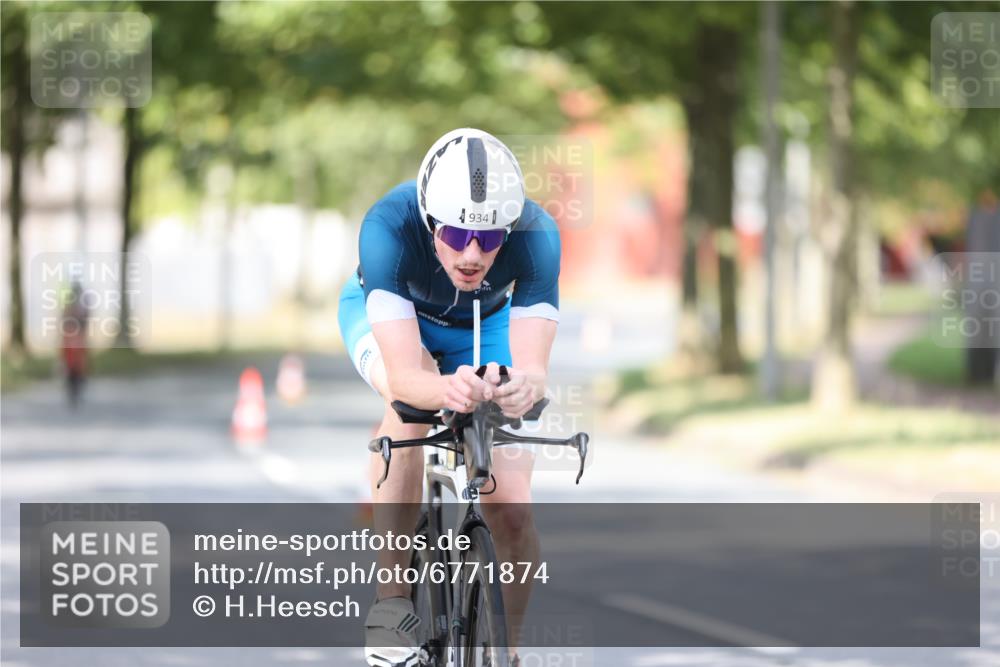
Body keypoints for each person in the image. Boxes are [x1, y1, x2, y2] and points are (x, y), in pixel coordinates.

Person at [338, 128, 560, 667]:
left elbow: (534, 372)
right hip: (400, 321)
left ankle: (506, 653)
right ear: (431, 219)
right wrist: (444, 388)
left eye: (490, 239)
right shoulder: (387, 227)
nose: (473, 253)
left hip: (483, 324)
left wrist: (522, 386)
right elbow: (408, 379)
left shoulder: (539, 235)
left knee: (511, 509)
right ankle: (391, 608)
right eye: (458, 234)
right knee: (407, 408)